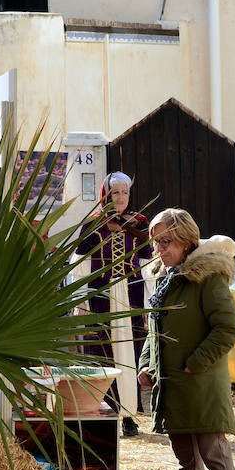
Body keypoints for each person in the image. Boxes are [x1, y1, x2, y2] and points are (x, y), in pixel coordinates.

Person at [137, 209, 235, 470]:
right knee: (186, 459)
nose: (159, 248)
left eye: (165, 241)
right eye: (155, 241)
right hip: (173, 385)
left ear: (186, 241)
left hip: (198, 383)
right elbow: (155, 330)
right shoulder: (165, 277)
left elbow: (229, 329)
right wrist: (147, 363)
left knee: (214, 456)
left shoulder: (207, 279)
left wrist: (194, 363)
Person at [77, 172, 151, 437]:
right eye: (116, 192)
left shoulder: (139, 223)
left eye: (125, 192)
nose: (121, 198)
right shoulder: (93, 225)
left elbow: (147, 265)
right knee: (102, 354)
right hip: (101, 298)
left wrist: (148, 301)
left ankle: (130, 414)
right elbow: (81, 266)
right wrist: (82, 303)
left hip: (131, 297)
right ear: (106, 195)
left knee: (130, 355)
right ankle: (106, 412)